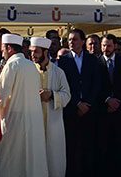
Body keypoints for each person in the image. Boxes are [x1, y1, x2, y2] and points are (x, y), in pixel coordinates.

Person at [0, 33, 48, 177]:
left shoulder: (11, 65)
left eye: (3, 48)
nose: (2, 52)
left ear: (9, 48)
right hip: (33, 122)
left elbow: (1, 98)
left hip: (14, 122)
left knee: (10, 162)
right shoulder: (31, 66)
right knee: (30, 161)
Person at [57, 28, 107, 177]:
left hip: (90, 110)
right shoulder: (64, 61)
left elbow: (96, 84)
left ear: (82, 41)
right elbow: (63, 85)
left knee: (89, 146)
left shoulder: (93, 60)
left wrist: (87, 103)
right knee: (72, 147)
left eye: (75, 39)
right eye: (70, 40)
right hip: (72, 110)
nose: (71, 42)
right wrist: (77, 103)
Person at [30, 37, 71, 177]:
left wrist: (52, 95)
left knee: (54, 160)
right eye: (31, 51)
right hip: (33, 124)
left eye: (36, 52)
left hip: (53, 124)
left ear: (45, 52)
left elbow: (67, 95)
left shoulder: (58, 72)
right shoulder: (28, 71)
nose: (33, 55)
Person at [96, 34, 121, 174]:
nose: (106, 48)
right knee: (103, 148)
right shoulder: (96, 62)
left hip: (119, 111)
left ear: (115, 46)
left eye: (109, 45)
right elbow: (95, 86)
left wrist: (117, 101)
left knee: (120, 147)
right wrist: (107, 100)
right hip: (103, 112)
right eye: (104, 45)